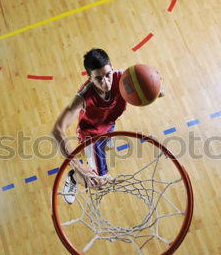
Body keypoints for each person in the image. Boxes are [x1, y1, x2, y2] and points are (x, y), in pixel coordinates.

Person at [52, 48, 164, 204]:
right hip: (92, 136)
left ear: (112, 67)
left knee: (109, 130)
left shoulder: (125, 78)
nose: (105, 82)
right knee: (99, 183)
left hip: (109, 124)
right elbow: (56, 130)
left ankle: (105, 142)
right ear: (89, 77)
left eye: (108, 74)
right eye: (98, 79)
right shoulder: (83, 97)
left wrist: (154, 87)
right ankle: (73, 177)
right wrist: (77, 166)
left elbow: (148, 83)